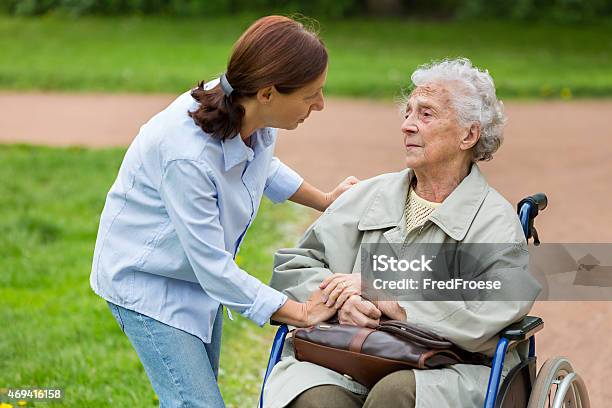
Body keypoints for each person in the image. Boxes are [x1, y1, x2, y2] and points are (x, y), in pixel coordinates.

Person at [90, 15, 356, 408]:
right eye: (309, 95)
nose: (320, 104)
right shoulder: (187, 156)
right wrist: (299, 312)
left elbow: (262, 166)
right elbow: (214, 268)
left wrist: (325, 200)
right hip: (147, 282)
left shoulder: (247, 106)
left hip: (195, 278)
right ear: (268, 93)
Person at [263, 58, 540, 408]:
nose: (407, 126)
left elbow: (495, 304)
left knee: (395, 393)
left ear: (468, 134)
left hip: (456, 366)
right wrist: (341, 303)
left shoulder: (494, 221)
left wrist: (390, 297)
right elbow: (296, 266)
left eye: (425, 115)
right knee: (315, 398)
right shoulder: (366, 197)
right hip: (351, 354)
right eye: (407, 113)